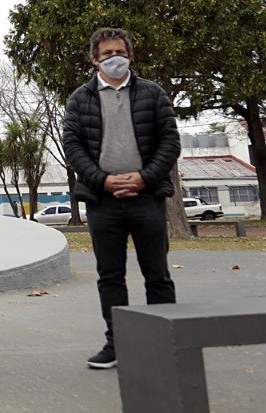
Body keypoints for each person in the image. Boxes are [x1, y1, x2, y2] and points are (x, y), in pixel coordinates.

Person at [62, 27, 180, 370]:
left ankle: (164, 344)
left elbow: (170, 142)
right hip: (103, 201)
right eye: (107, 54)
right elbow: (73, 147)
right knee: (110, 277)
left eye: (120, 52)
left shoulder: (153, 94)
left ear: (131, 55)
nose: (115, 59)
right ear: (94, 60)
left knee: (157, 274)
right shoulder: (79, 99)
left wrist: (144, 178)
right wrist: (104, 181)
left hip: (147, 197)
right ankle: (118, 344)